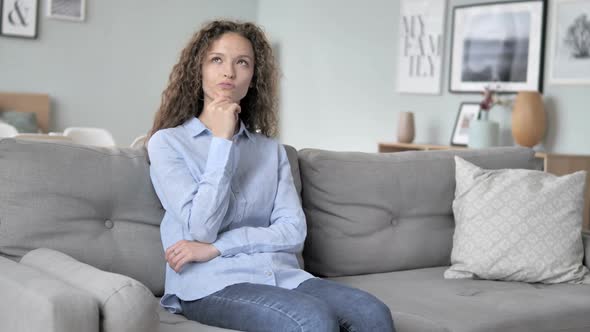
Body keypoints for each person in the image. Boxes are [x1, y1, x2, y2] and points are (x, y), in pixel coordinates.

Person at [147, 19, 396, 332]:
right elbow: (201, 230)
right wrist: (222, 142)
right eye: (217, 60)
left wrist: (220, 247)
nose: (229, 72)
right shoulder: (167, 143)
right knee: (314, 321)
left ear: (253, 78)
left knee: (373, 313)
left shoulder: (271, 151)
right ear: (198, 69)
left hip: (283, 276)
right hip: (209, 283)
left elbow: (293, 231)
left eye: (242, 63)